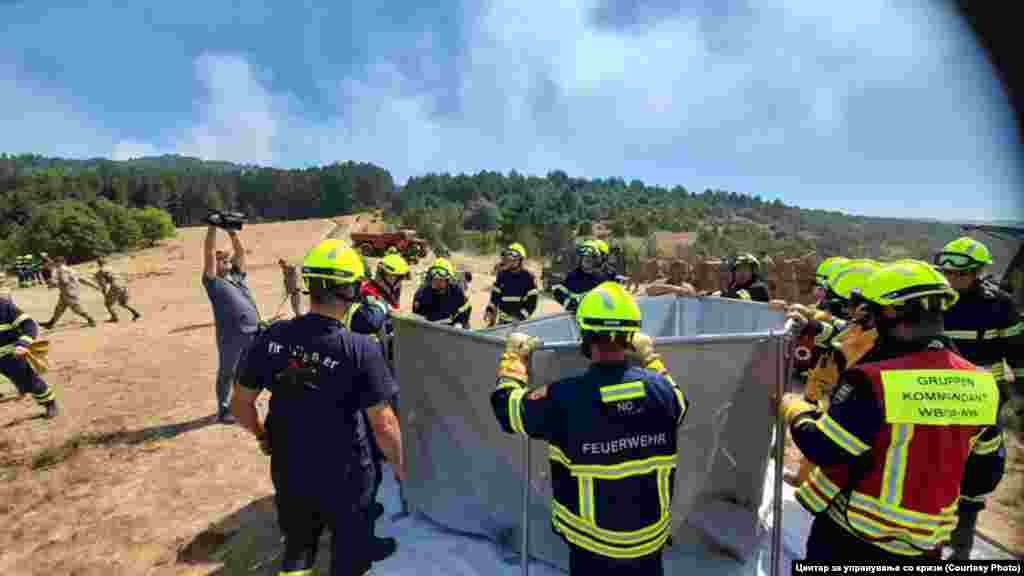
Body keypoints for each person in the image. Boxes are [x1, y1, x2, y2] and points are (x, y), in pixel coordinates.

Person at [779, 260, 1006, 560]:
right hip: (926, 547)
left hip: (852, 538)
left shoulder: (873, 381)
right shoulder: (983, 385)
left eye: (872, 314)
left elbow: (825, 448)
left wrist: (794, 408)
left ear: (892, 312)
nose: (866, 323)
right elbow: (983, 476)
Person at [231, 239, 404, 576]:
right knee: (350, 548)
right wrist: (400, 465)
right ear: (349, 289)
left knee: (298, 545)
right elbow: (383, 424)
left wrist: (262, 435)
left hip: (289, 461)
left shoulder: (270, 337)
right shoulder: (359, 349)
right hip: (346, 469)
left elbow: (241, 403)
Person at [491, 282, 689, 575]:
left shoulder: (564, 397)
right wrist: (651, 357)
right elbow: (680, 404)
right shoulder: (661, 390)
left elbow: (507, 410)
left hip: (592, 550)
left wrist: (514, 362)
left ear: (584, 336)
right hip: (650, 543)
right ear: (631, 337)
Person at [932, 237, 1022, 559]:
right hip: (937, 398)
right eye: (947, 273)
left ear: (978, 272)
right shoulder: (935, 301)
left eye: (960, 275)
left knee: (976, 471)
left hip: (982, 401)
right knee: (935, 465)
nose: (952, 280)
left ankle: (962, 545)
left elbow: (1019, 354)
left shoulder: (1000, 305)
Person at [202, 224, 260, 424]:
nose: (224, 261)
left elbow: (241, 253)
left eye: (226, 258)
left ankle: (240, 403)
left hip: (252, 332)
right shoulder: (213, 282)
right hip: (231, 335)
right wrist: (212, 228)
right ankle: (224, 409)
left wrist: (232, 232)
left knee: (245, 370)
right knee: (228, 372)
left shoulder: (237, 277)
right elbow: (208, 252)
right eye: (219, 260)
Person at [0, 294, 59, 419]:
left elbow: (29, 325)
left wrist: (23, 344)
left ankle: (49, 403)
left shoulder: (4, 306)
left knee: (30, 382)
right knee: (20, 382)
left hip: (12, 356)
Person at [552, 240, 618, 312]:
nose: (587, 260)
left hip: (599, 316)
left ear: (596, 259)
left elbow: (612, 298)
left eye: (591, 257)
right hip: (576, 317)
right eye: (585, 257)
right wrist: (571, 304)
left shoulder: (602, 277)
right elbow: (558, 291)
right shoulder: (572, 276)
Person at [485, 243, 539, 326]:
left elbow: (532, 304)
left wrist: (520, 317)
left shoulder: (529, 278)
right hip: (502, 324)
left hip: (521, 324)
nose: (510, 259)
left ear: (521, 259)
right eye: (508, 256)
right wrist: (489, 310)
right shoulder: (502, 276)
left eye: (514, 256)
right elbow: (494, 297)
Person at [39, 255, 98, 329]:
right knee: (59, 309)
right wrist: (94, 285)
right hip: (68, 292)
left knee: (76, 309)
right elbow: (81, 279)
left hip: (68, 293)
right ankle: (51, 323)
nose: (55, 264)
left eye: (56, 262)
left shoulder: (61, 270)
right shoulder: (70, 269)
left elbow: (64, 281)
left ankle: (90, 319)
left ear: (60, 262)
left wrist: (53, 284)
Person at [412, 258, 471, 328]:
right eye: (435, 279)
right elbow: (417, 316)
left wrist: (459, 323)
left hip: (453, 328)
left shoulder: (456, 291)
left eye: (440, 279)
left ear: (448, 279)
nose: (437, 281)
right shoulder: (422, 293)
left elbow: (466, 309)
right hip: (429, 329)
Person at [94, 256, 141, 322]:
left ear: (98, 264)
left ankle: (114, 317)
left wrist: (105, 294)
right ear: (106, 262)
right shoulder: (112, 268)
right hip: (123, 284)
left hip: (116, 285)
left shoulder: (100, 272)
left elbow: (103, 285)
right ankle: (135, 313)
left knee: (108, 304)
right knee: (123, 303)